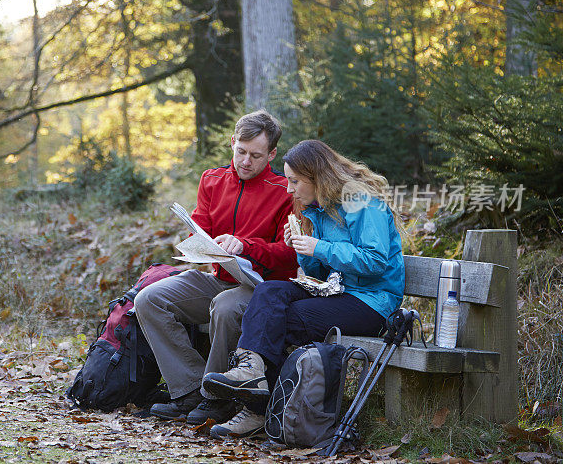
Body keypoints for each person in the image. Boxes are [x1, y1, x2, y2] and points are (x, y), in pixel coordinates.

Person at [202, 139, 406, 439]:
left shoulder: (359, 199)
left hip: (372, 302)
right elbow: (319, 273)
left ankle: (257, 410)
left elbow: (375, 261)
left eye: (295, 181)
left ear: (317, 176)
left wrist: (319, 247)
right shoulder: (318, 209)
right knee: (270, 292)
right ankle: (251, 373)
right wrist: (302, 249)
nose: (289, 189)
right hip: (338, 292)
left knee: (283, 318)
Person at [133, 111, 301, 426]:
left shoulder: (285, 191)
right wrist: (193, 244)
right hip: (217, 277)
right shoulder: (212, 180)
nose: (246, 161)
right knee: (149, 299)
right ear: (232, 143)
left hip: (261, 289)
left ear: (272, 154)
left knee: (225, 307)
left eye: (256, 156)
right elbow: (201, 227)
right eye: (241, 152)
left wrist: (246, 245)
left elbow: (289, 256)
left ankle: (216, 400)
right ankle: (191, 390)